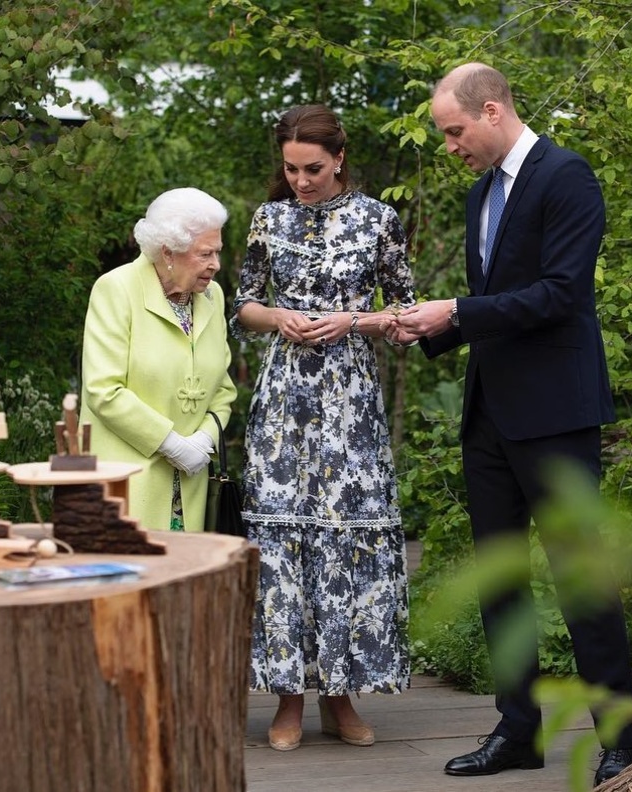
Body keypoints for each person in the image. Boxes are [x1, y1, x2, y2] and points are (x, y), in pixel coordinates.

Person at [385, 63, 632, 786]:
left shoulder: (568, 177)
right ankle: (517, 731)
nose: (449, 145)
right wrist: (426, 329)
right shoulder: (479, 197)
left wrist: (457, 312)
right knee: (500, 580)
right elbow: (496, 302)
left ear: (491, 111)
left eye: (454, 131)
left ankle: (620, 740)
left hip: (556, 414)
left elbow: (559, 294)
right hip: (490, 415)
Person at [231, 104, 414, 752]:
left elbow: (408, 313)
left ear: (338, 158)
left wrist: (351, 322)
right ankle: (287, 701)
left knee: (343, 547)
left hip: (350, 404)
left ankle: (341, 697)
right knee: (282, 549)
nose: (301, 180)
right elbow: (241, 303)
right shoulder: (269, 219)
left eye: (312, 168)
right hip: (284, 407)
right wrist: (277, 316)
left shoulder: (377, 219)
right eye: (290, 168)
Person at [80, 187, 237, 532]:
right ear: (168, 252)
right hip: (126, 481)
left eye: (217, 252)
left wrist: (203, 441)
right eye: (205, 254)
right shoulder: (116, 289)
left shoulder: (212, 296)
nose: (216, 265)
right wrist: (170, 444)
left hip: (190, 487)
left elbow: (223, 391)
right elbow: (104, 389)